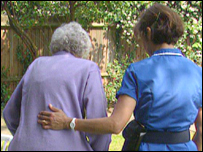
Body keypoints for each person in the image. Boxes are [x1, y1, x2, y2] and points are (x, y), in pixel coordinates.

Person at [38, 3, 202, 151]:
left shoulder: (137, 71)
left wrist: (68, 122)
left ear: (148, 32)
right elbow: (201, 130)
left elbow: (116, 124)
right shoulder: (197, 73)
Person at [3, 22, 111, 151]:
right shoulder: (88, 69)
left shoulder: (36, 65)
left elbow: (9, 114)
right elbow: (99, 126)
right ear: (83, 49)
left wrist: (28, 136)